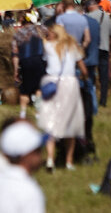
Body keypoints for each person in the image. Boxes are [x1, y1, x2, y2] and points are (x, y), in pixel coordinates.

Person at [37, 23, 87, 173]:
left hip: (52, 82)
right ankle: (69, 161)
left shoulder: (48, 47)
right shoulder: (72, 46)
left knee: (51, 121)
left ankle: (51, 158)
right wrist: (85, 78)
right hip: (70, 84)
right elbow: (83, 67)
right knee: (71, 122)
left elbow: (43, 44)